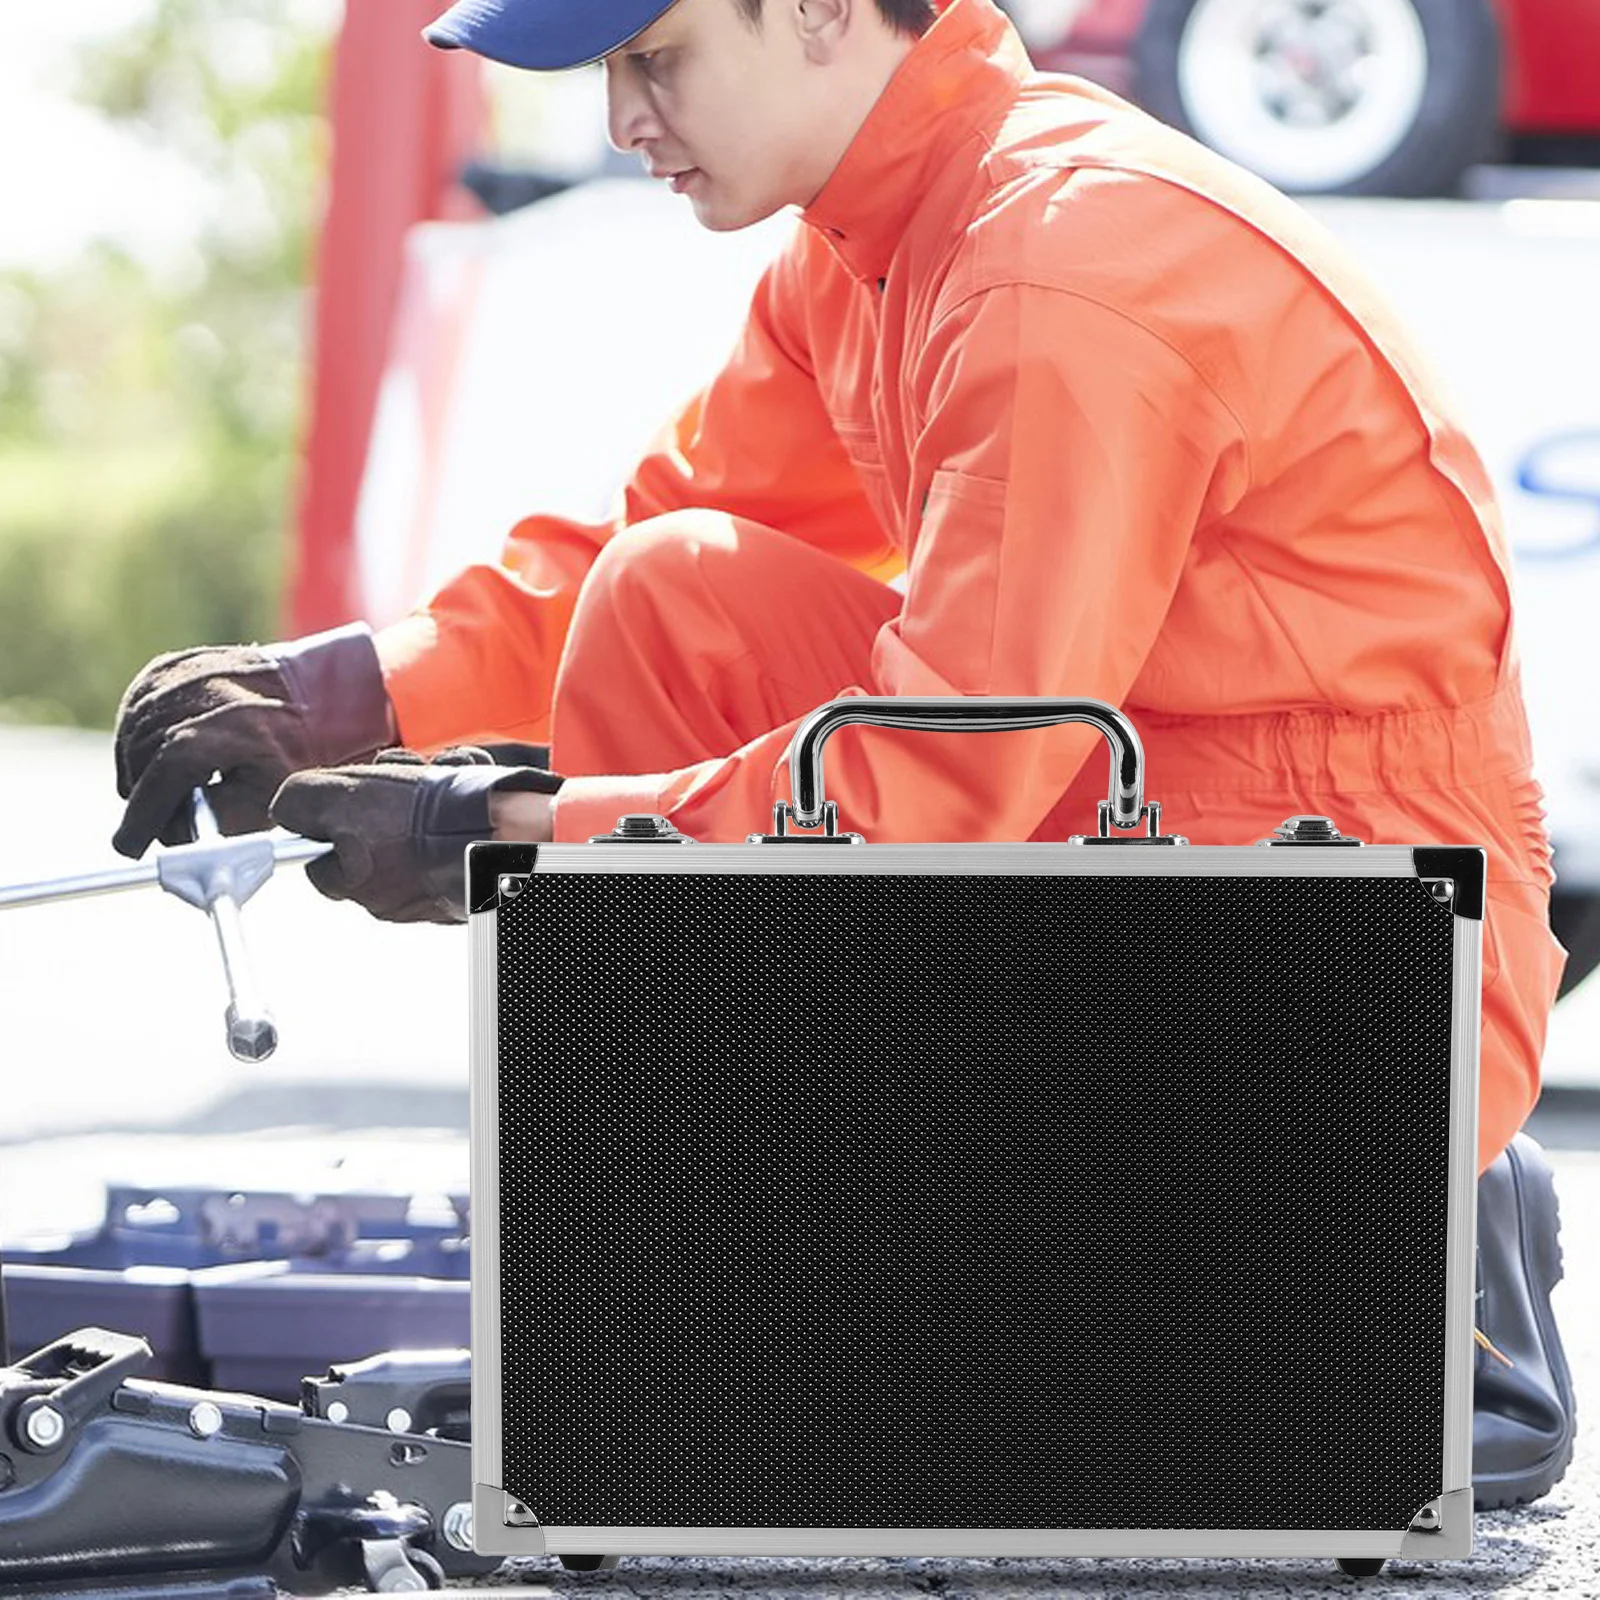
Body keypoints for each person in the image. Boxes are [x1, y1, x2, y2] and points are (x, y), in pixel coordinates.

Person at [110, 0, 1575, 1505]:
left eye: (653, 58)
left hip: (1362, 939)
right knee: (674, 590)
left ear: (816, 9)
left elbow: (937, 794)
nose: (624, 121)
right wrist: (344, 687)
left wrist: (503, 830)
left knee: (987, 1387)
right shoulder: (878, 243)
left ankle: (1408, 1240)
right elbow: (650, 536)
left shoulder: (1062, 268)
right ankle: (714, 1307)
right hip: (1160, 823)